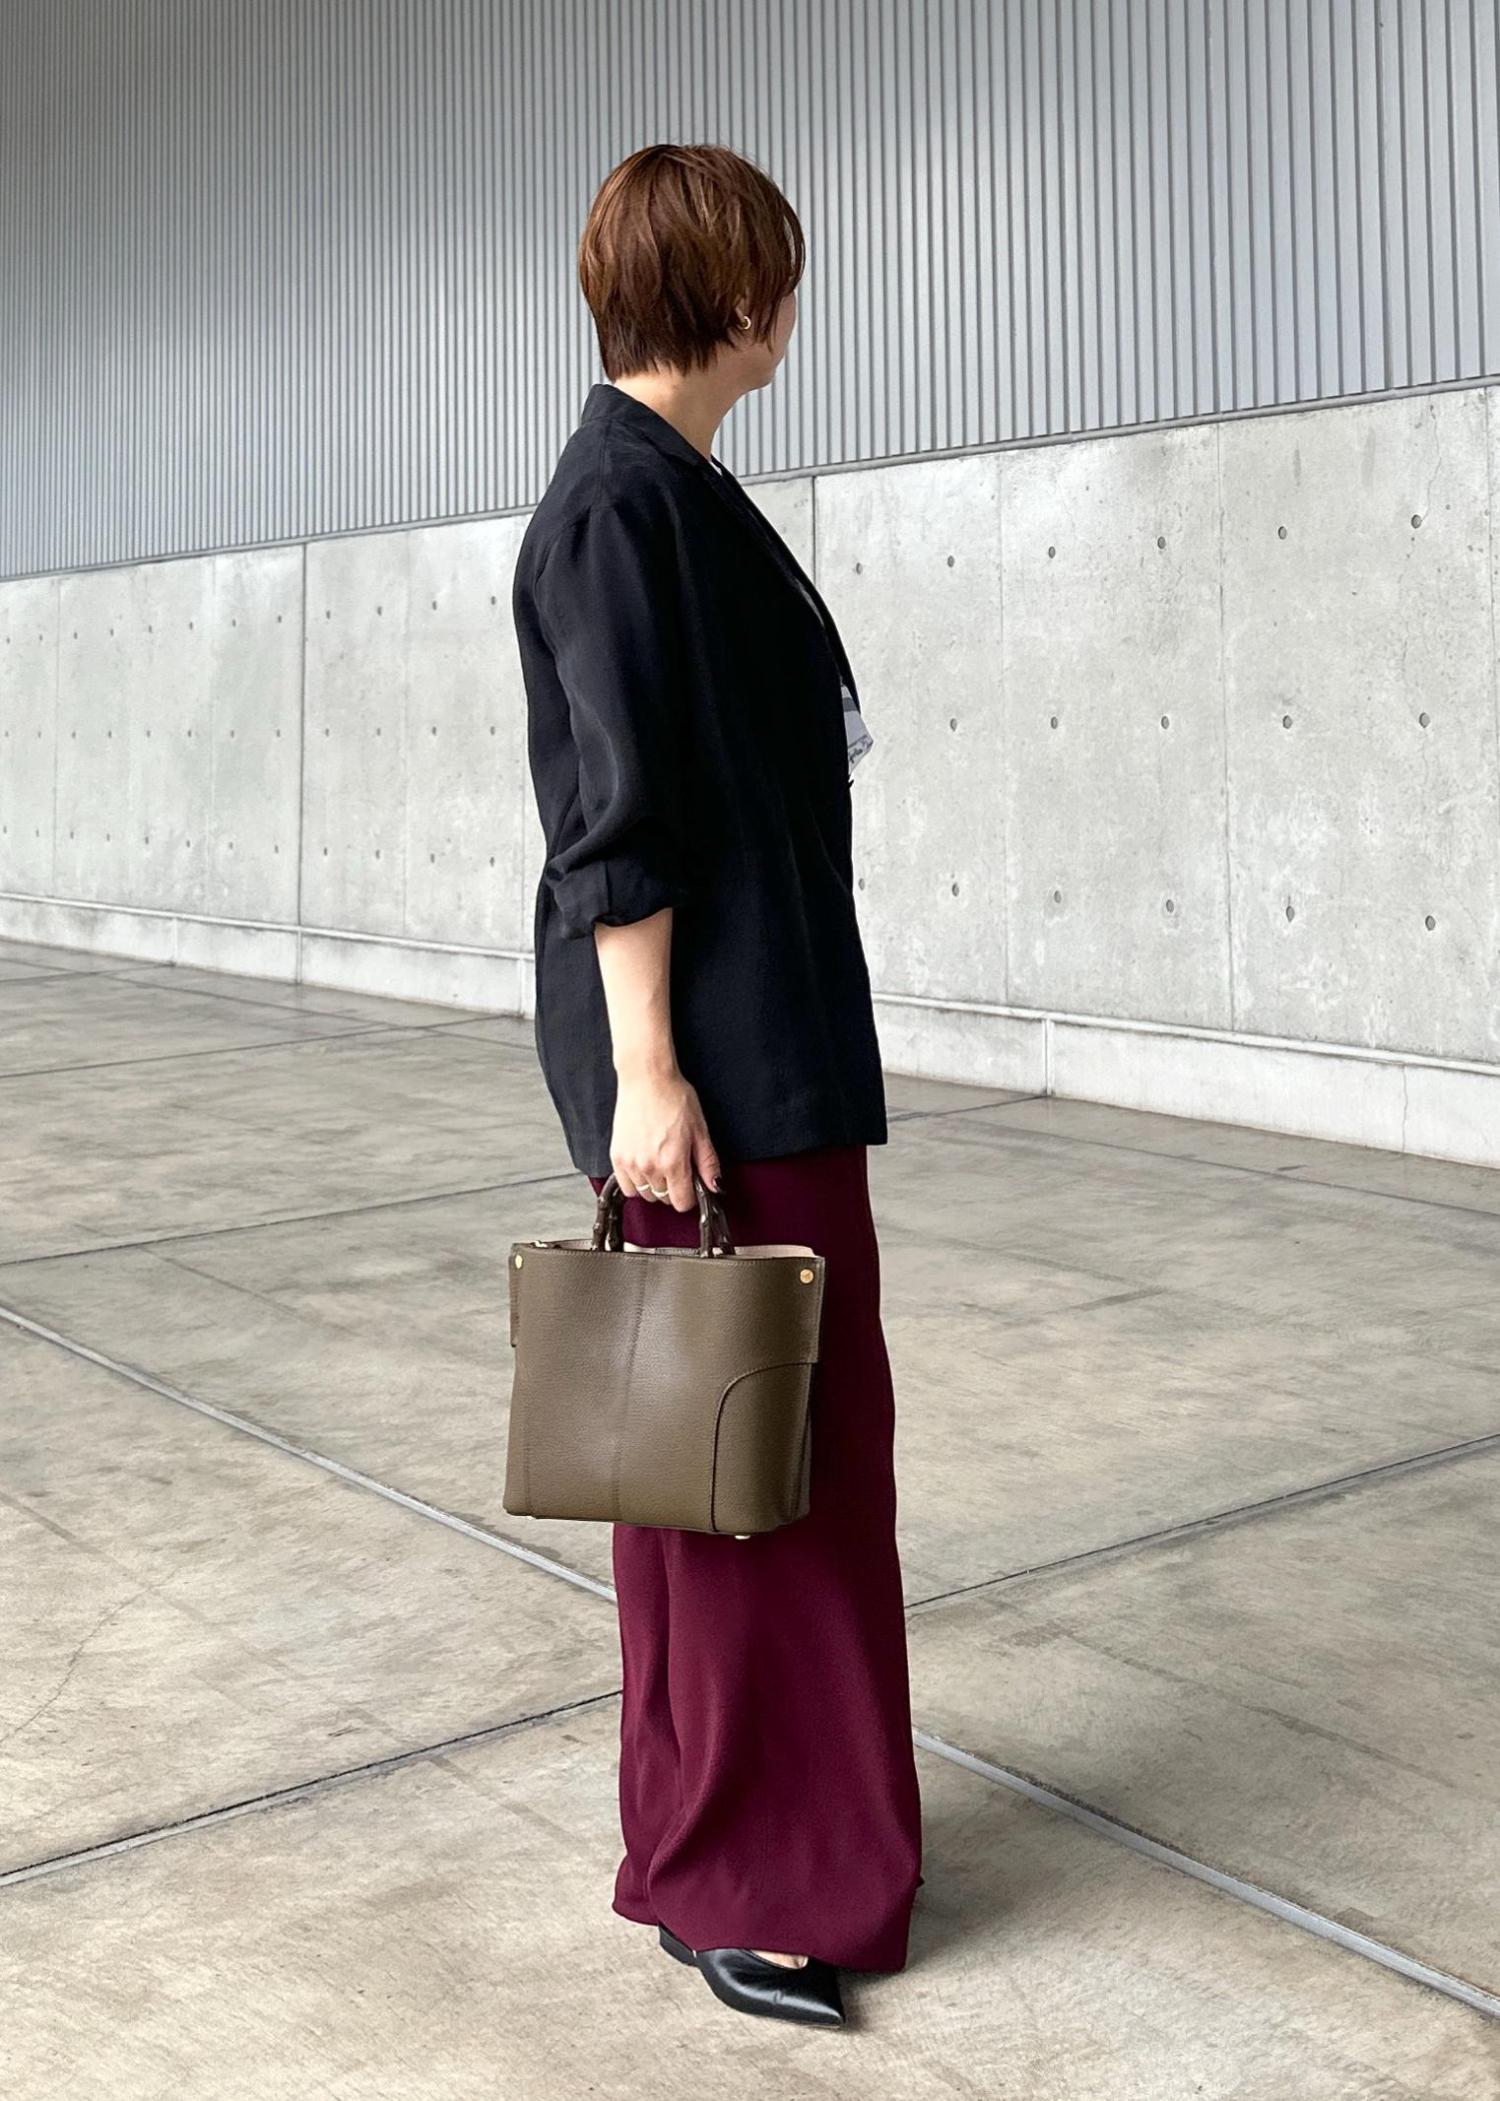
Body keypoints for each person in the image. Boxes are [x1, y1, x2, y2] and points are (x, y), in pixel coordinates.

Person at [510, 142, 922, 2030]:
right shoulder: (617, 508)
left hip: (766, 1040)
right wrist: (650, 1074)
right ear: (731, 293)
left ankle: (713, 1844)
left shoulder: (674, 488)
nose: (793, 305)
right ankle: (748, 1872)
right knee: (754, 1470)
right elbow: (617, 822)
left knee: (737, 1467)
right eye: (780, 273)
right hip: (718, 1068)